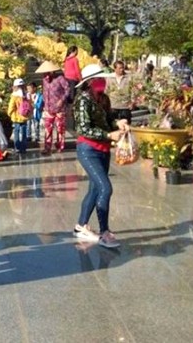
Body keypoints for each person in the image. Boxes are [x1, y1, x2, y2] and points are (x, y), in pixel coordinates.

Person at [73, 64, 129, 249]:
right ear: (89, 82)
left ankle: (81, 226)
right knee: (105, 188)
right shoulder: (82, 100)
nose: (103, 82)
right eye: (99, 79)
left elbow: (107, 119)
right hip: (88, 150)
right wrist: (108, 135)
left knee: (95, 189)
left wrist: (118, 123)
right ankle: (104, 232)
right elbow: (83, 128)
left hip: (103, 150)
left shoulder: (102, 98)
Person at [38, 61, 70, 155]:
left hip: (60, 108)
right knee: (48, 129)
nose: (46, 74)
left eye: (48, 72)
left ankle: (60, 146)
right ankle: (47, 147)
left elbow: (67, 89)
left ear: (52, 71)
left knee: (60, 128)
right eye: (45, 73)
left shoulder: (60, 79)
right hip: (48, 108)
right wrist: (43, 104)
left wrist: (62, 100)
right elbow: (44, 92)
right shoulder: (44, 80)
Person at [7, 79, 31, 155]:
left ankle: (17, 148)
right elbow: (30, 105)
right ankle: (23, 148)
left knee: (16, 132)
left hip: (16, 117)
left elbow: (11, 106)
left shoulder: (14, 95)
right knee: (24, 133)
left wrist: (9, 114)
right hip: (24, 117)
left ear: (15, 86)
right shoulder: (27, 95)